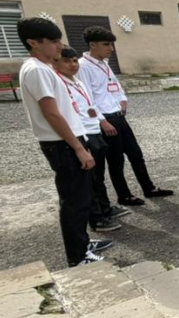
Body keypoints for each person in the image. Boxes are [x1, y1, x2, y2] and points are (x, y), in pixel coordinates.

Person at [16, 18, 110, 266]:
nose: (60, 46)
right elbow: (51, 113)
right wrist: (78, 147)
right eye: (54, 41)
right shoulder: (36, 69)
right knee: (74, 202)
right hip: (61, 143)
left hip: (67, 140)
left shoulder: (45, 68)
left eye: (59, 40)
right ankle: (78, 257)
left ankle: (81, 243)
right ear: (33, 43)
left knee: (79, 197)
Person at [78, 26, 173, 206]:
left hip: (118, 116)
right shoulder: (84, 67)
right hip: (106, 119)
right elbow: (87, 98)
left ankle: (149, 187)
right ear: (92, 45)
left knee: (135, 154)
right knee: (116, 160)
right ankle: (124, 195)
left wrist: (123, 101)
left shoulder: (104, 64)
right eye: (106, 45)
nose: (110, 49)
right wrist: (102, 121)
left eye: (111, 45)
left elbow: (116, 86)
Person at [54, 46, 130, 233]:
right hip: (83, 135)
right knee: (89, 181)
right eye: (67, 61)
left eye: (73, 60)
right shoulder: (59, 84)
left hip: (94, 131)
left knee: (98, 177)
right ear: (56, 62)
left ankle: (105, 209)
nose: (72, 65)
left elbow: (90, 105)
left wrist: (99, 122)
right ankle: (97, 219)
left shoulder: (77, 82)